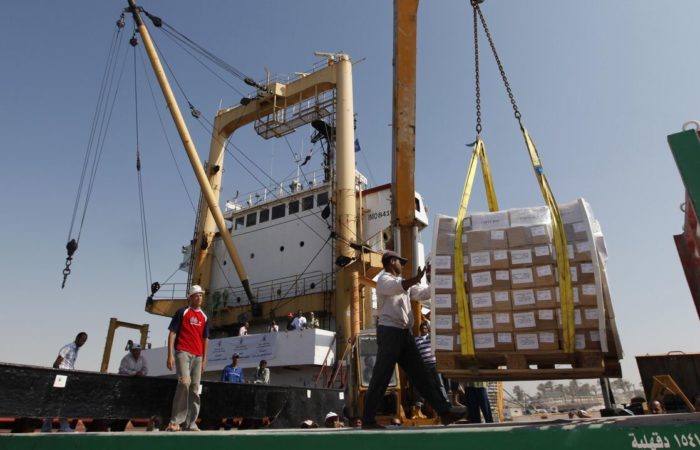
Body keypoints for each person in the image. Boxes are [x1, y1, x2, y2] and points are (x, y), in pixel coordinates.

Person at [362, 250, 464, 429]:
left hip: (404, 334)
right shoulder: (384, 280)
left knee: (421, 375)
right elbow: (400, 286)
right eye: (400, 262)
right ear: (392, 262)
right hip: (390, 333)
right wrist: (416, 279)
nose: (402, 266)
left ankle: (445, 412)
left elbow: (423, 294)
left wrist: (433, 279)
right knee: (381, 376)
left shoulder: (404, 286)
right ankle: (368, 420)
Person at [165, 285, 210, 432]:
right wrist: (170, 354)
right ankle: (175, 421)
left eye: (201, 295)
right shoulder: (182, 312)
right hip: (182, 352)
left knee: (195, 389)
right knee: (184, 383)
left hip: (198, 356)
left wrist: (204, 359)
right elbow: (172, 333)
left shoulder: (204, 317)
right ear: (190, 297)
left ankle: (191, 423)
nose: (199, 297)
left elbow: (206, 339)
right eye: (196, 295)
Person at [41, 332, 88, 432]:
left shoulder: (75, 350)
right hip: (62, 377)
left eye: (85, 341)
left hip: (67, 377)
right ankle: (63, 426)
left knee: (57, 402)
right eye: (82, 339)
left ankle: (47, 427)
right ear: (77, 338)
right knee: (61, 401)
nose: (83, 342)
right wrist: (58, 377)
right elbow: (57, 363)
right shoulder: (68, 348)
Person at [412, 322, 449, 419]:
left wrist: (427, 321)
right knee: (422, 386)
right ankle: (418, 407)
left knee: (439, 384)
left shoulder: (430, 338)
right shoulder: (416, 339)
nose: (424, 329)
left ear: (428, 329)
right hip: (424, 366)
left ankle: (446, 402)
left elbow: (434, 330)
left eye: (425, 328)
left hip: (434, 365)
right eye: (422, 328)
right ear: (420, 329)